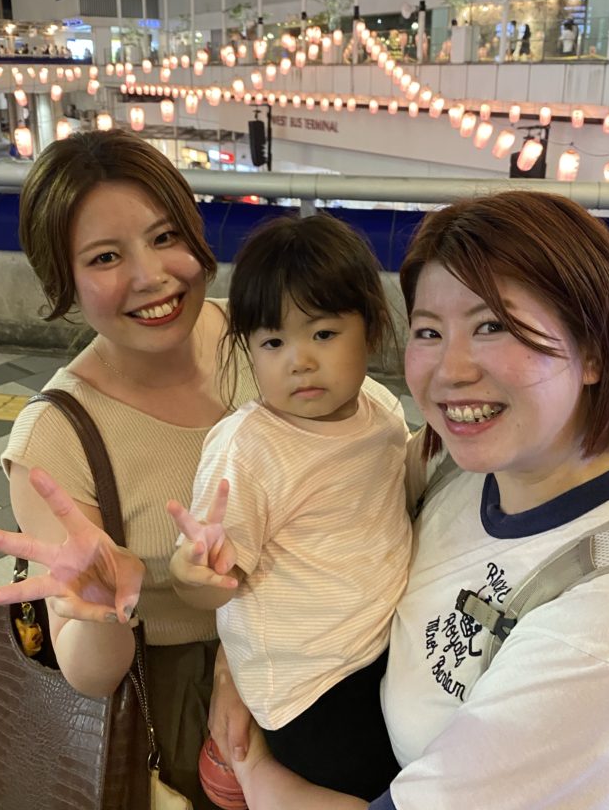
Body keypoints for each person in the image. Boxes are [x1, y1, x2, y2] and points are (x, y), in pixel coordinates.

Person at [214, 191, 609, 810]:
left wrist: (255, 770)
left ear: (595, 351)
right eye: (429, 331)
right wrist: (236, 669)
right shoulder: (458, 466)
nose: (449, 370)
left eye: (491, 326)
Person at [0, 129, 259, 809]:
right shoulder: (56, 438)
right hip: (178, 706)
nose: (151, 277)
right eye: (105, 256)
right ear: (63, 280)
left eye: (165, 237)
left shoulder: (258, 334)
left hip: (317, 647)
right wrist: (102, 608)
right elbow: (88, 674)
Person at [168, 215, 411, 802]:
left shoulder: (381, 409)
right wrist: (194, 573)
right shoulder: (247, 450)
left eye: (323, 334)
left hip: (385, 645)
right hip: (310, 683)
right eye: (273, 343)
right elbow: (205, 587)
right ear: (248, 350)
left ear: (371, 329)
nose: (298, 360)